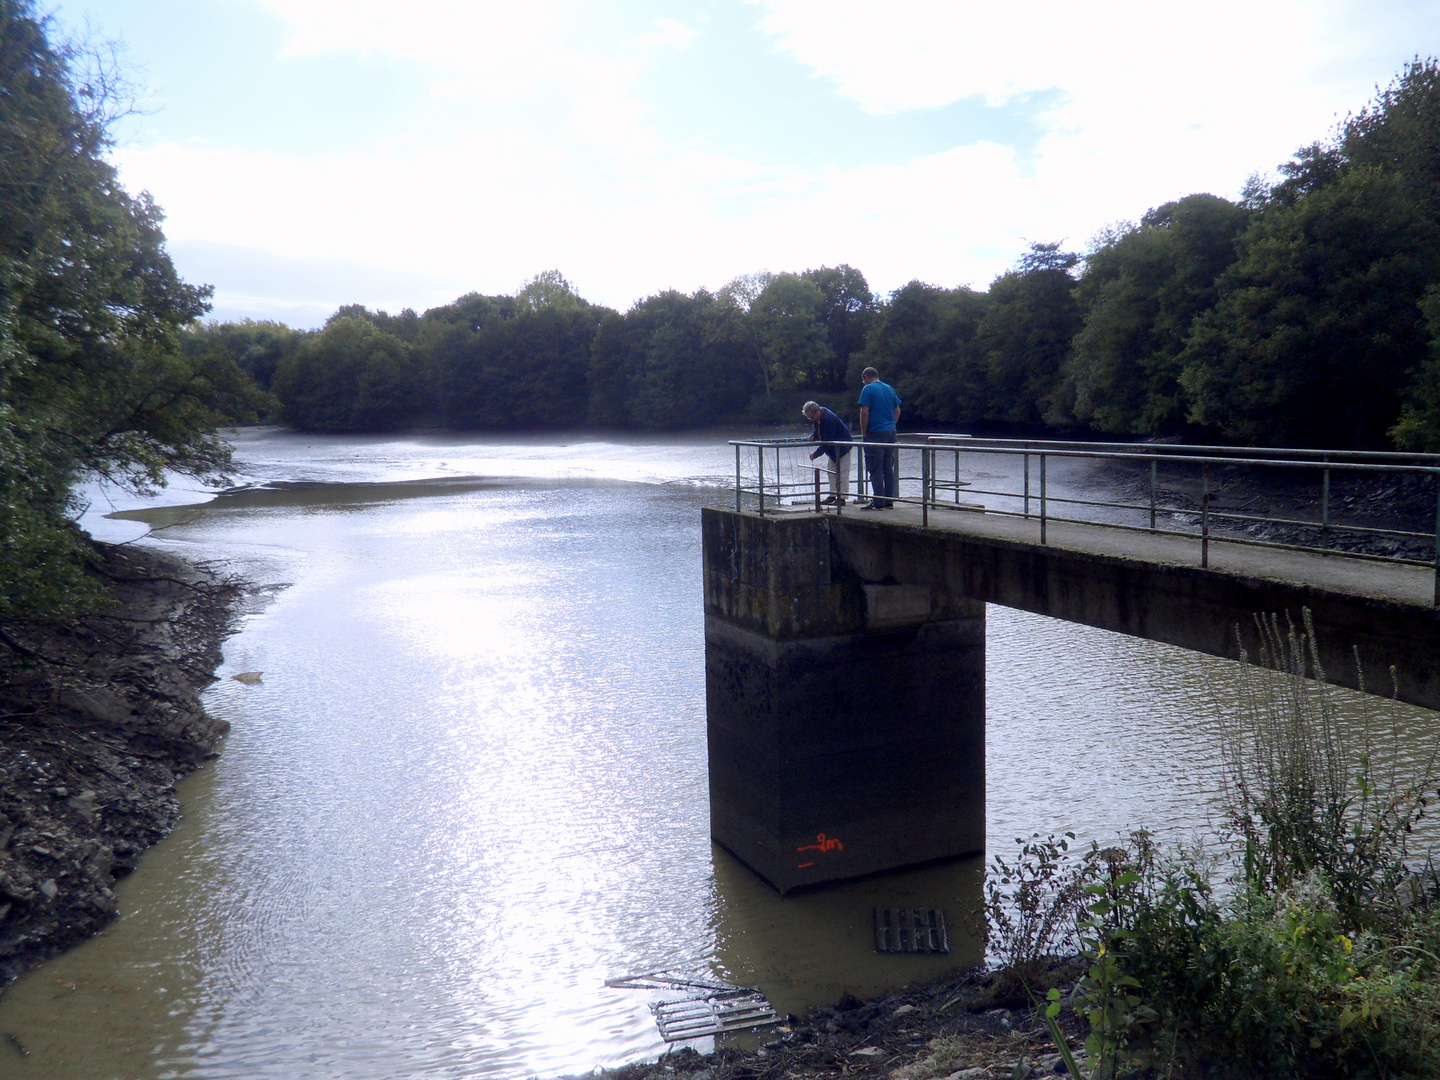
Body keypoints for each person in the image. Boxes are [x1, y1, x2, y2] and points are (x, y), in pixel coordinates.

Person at [857, 366, 901, 509]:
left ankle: (878, 502)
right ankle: (889, 501)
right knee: (888, 467)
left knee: (875, 468)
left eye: (863, 380)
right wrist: (891, 425)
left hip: (875, 433)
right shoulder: (889, 388)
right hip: (890, 433)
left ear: (866, 377)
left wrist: (864, 432)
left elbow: (864, 412)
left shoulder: (868, 389)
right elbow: (897, 410)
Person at [802, 401, 853, 505]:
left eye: (811, 417)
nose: (810, 420)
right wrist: (814, 436)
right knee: (831, 471)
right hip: (833, 449)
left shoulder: (828, 419)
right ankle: (833, 495)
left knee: (842, 473)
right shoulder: (819, 417)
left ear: (816, 412)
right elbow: (820, 431)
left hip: (843, 447)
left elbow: (827, 442)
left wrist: (815, 454)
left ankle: (842, 498)